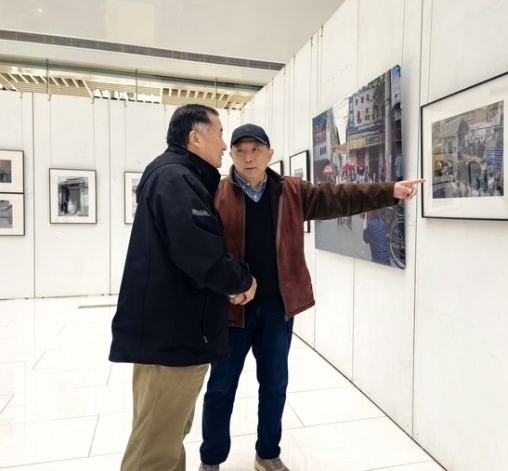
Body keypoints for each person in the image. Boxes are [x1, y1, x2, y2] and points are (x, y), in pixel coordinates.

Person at [199, 123, 423, 471]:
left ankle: (267, 454)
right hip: (232, 311)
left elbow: (341, 196)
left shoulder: (291, 191)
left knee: (274, 385)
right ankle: (211, 459)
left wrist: (389, 191)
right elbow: (205, 251)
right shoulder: (216, 194)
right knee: (220, 387)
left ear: (270, 154)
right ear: (231, 154)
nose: (248, 157)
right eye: (240, 150)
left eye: (256, 149)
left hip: (277, 309)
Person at [109, 104, 256, 471]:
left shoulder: (179, 176)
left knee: (169, 435)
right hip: (171, 340)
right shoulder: (176, 179)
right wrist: (244, 279)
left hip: (174, 335)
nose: (225, 145)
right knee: (154, 450)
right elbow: (202, 256)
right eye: (220, 133)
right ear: (195, 136)